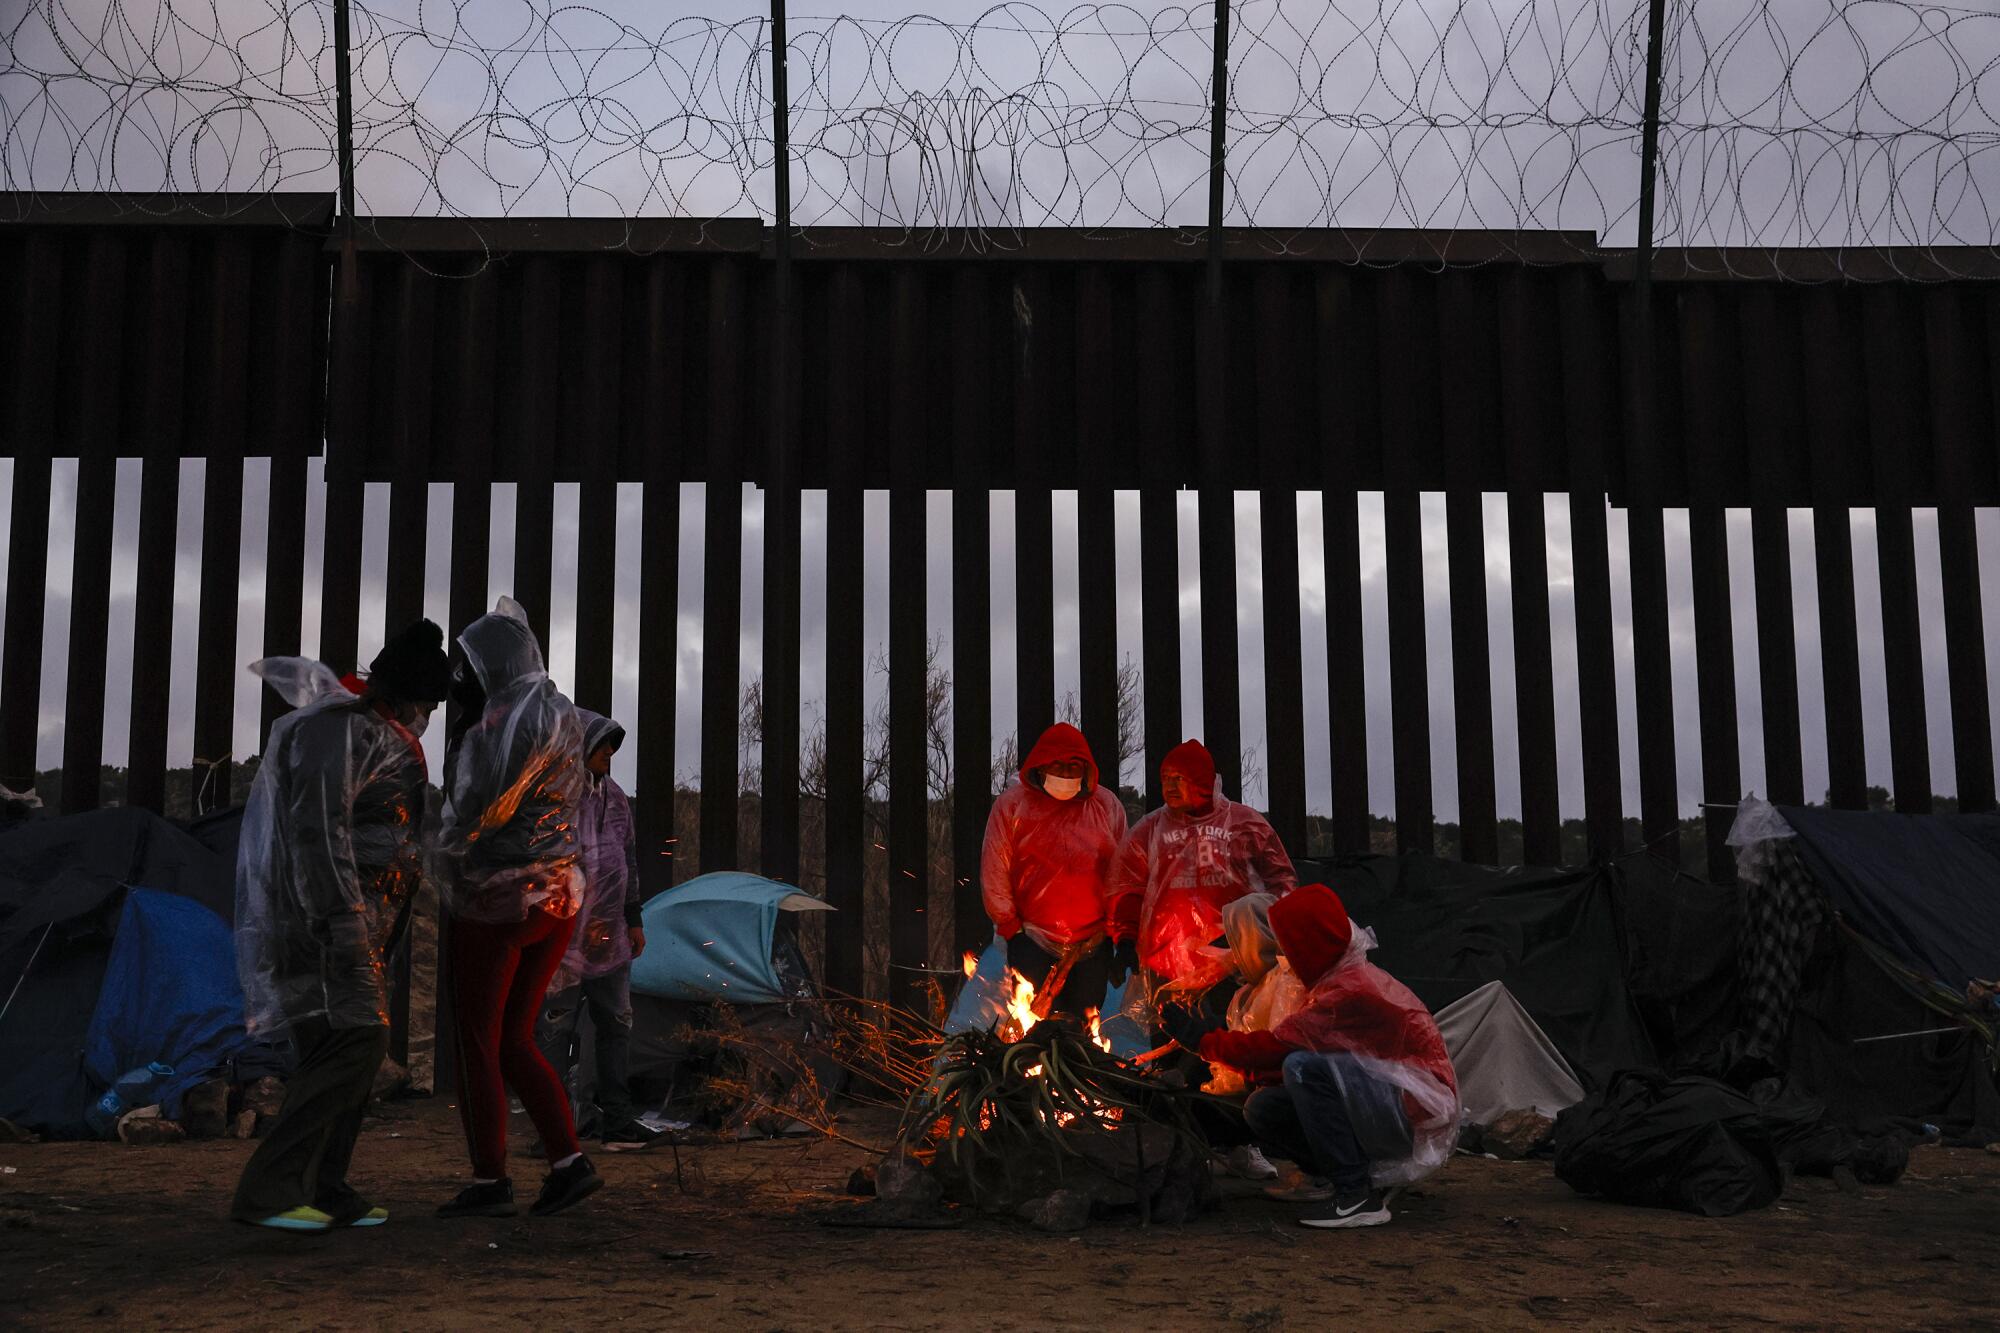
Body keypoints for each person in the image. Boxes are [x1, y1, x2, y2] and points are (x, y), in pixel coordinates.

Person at [230, 619, 450, 1232]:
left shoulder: (370, 732)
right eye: (425, 701)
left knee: (345, 1046)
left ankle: (325, 1186)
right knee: (357, 1043)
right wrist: (342, 919)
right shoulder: (339, 733)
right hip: (323, 926)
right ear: (400, 694)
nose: (427, 713)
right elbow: (316, 830)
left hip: (354, 923)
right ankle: (269, 1190)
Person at [435, 597, 600, 1220]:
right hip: (556, 897)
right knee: (514, 1039)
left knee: (477, 1041)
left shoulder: (499, 723)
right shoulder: (561, 713)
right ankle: (568, 1163)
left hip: (496, 901)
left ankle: (489, 1179)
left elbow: (476, 809)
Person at [1200, 884, 1460, 1230]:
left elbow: (1281, 1051)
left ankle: (1356, 1194)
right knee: (1264, 1106)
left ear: (1306, 943)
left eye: (1288, 944)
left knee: (1303, 1068)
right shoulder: (1337, 978)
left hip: (1415, 1109)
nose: (1283, 954)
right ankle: (1346, 1176)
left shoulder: (1347, 991)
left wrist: (1200, 1040)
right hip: (1395, 1100)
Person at [537, 710, 659, 1150]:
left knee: (615, 1027)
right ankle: (551, 1128)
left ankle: (617, 1121)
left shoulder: (617, 799)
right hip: (564, 937)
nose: (610, 752)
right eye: (603, 743)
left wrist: (634, 918)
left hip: (609, 936)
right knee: (555, 1029)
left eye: (613, 744)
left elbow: (627, 859)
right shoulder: (556, 798)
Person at [1106, 739, 1298, 987]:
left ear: (1202, 781)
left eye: (1180, 778)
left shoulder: (1244, 824)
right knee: (1172, 1026)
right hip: (1167, 968)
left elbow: (1281, 883)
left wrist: (1266, 934)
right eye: (1166, 778)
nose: (1170, 786)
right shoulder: (1149, 831)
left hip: (1234, 965)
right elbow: (1128, 888)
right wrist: (1126, 941)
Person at [981, 723, 1129, 1020]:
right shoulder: (1012, 806)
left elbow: (1123, 873)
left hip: (1092, 943)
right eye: (1057, 765)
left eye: (1074, 766)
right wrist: (1011, 928)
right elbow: (995, 868)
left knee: (1083, 1029)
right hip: (1032, 940)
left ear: (1086, 770)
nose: (1064, 773)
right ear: (1041, 765)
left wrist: (1120, 933)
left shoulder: (1106, 806)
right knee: (1033, 1026)